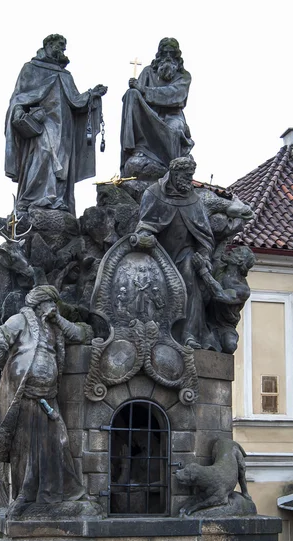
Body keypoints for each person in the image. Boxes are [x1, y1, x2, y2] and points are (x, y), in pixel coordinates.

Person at [0, 285, 93, 519]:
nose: (54, 307)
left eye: (55, 303)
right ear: (39, 303)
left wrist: (58, 319)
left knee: (57, 443)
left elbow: (81, 335)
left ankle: (54, 495)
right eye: (50, 303)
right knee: (25, 447)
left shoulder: (54, 326)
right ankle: (25, 497)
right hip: (24, 395)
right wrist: (11, 369)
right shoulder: (20, 320)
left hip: (49, 397)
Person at [5, 34, 107, 215]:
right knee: (43, 153)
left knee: (63, 161)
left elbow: (76, 101)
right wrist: (20, 112)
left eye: (64, 46)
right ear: (48, 45)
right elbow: (19, 97)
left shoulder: (65, 75)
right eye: (59, 45)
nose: (63, 49)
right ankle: (32, 198)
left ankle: (57, 199)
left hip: (65, 126)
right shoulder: (31, 69)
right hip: (43, 122)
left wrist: (92, 94)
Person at [134, 156, 217, 350]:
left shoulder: (194, 200)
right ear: (174, 174)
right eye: (186, 176)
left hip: (185, 254)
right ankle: (154, 331)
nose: (189, 181)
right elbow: (143, 227)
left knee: (190, 273)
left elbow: (205, 237)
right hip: (157, 254)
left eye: (191, 177)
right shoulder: (153, 194)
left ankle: (189, 334)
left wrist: (204, 257)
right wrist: (145, 237)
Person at [121, 38, 194, 181]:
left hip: (172, 116)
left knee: (175, 128)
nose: (167, 56)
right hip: (149, 115)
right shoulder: (148, 72)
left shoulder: (184, 76)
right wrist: (136, 90)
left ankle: (173, 165)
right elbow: (137, 96)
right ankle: (135, 148)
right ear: (159, 55)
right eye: (164, 53)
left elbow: (176, 95)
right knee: (131, 94)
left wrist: (145, 90)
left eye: (171, 53)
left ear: (177, 56)